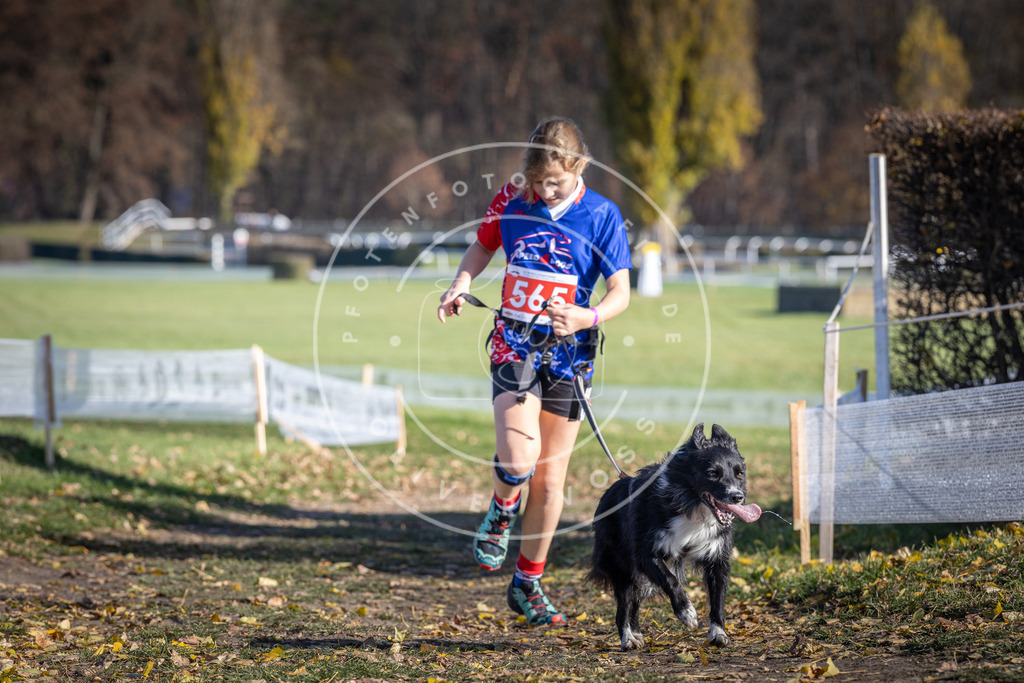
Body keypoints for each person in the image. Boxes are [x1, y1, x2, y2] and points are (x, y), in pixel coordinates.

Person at [437, 117, 632, 626]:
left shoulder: (603, 215)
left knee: (549, 480)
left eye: (556, 184)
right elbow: (483, 245)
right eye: (536, 181)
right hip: (514, 343)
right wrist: (460, 283)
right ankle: (502, 510)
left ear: (580, 168)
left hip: (570, 354)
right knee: (520, 459)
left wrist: (587, 315)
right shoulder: (510, 198)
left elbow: (620, 293)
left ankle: (527, 583)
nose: (543, 192)